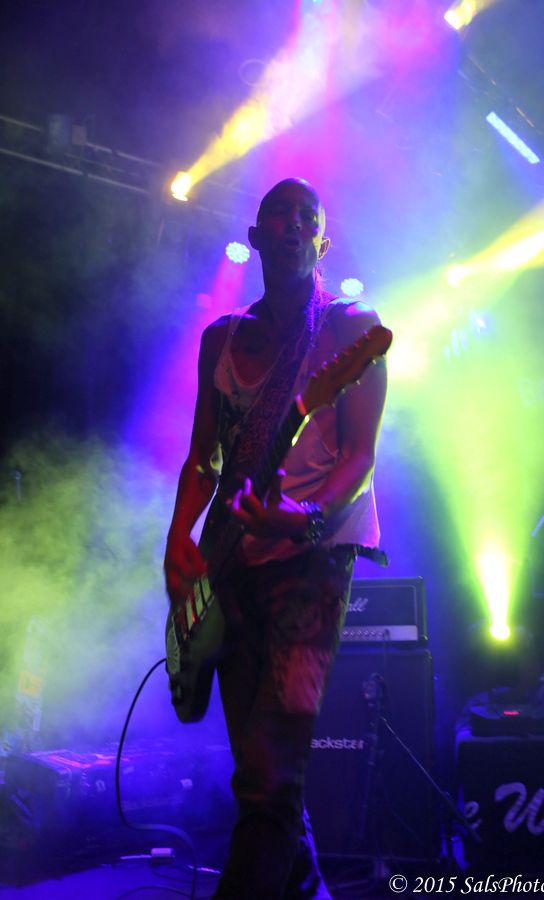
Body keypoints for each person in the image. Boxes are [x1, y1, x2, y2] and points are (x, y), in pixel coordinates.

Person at [164, 177, 388, 900]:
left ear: (323, 242)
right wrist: (178, 538)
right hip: (232, 563)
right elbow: (204, 458)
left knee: (268, 775)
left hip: (312, 564)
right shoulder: (222, 338)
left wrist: (310, 517)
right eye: (278, 214)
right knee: (263, 774)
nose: (292, 225)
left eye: (306, 218)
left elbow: (359, 457)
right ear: (255, 236)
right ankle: (305, 883)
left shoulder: (350, 329)